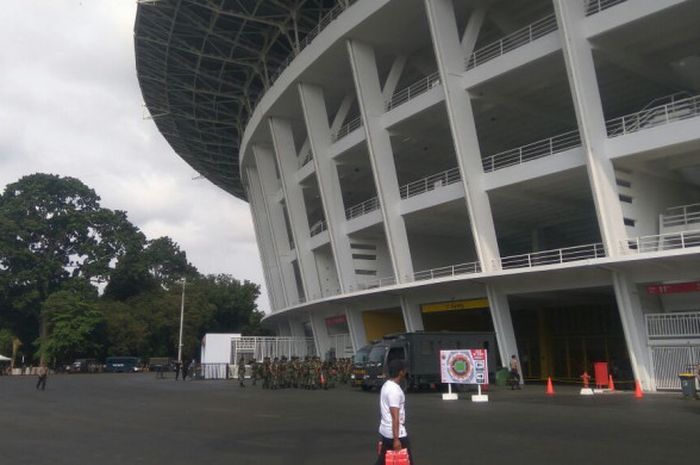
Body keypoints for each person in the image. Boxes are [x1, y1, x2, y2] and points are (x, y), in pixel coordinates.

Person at [375, 359, 413, 465]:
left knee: (382, 461)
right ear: (400, 372)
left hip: (385, 431)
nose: (405, 372)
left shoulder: (386, 385)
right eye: (404, 370)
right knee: (407, 461)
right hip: (396, 434)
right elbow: (395, 416)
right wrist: (396, 439)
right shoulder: (394, 391)